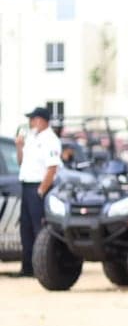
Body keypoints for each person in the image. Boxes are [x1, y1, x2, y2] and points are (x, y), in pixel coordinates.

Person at [15, 106, 62, 277]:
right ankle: (27, 267)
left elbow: (52, 167)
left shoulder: (50, 139)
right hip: (26, 185)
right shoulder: (32, 137)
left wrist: (41, 190)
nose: (30, 122)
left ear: (41, 120)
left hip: (39, 186)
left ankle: (41, 267)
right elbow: (21, 162)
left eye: (32, 119)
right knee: (25, 228)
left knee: (39, 228)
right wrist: (19, 147)